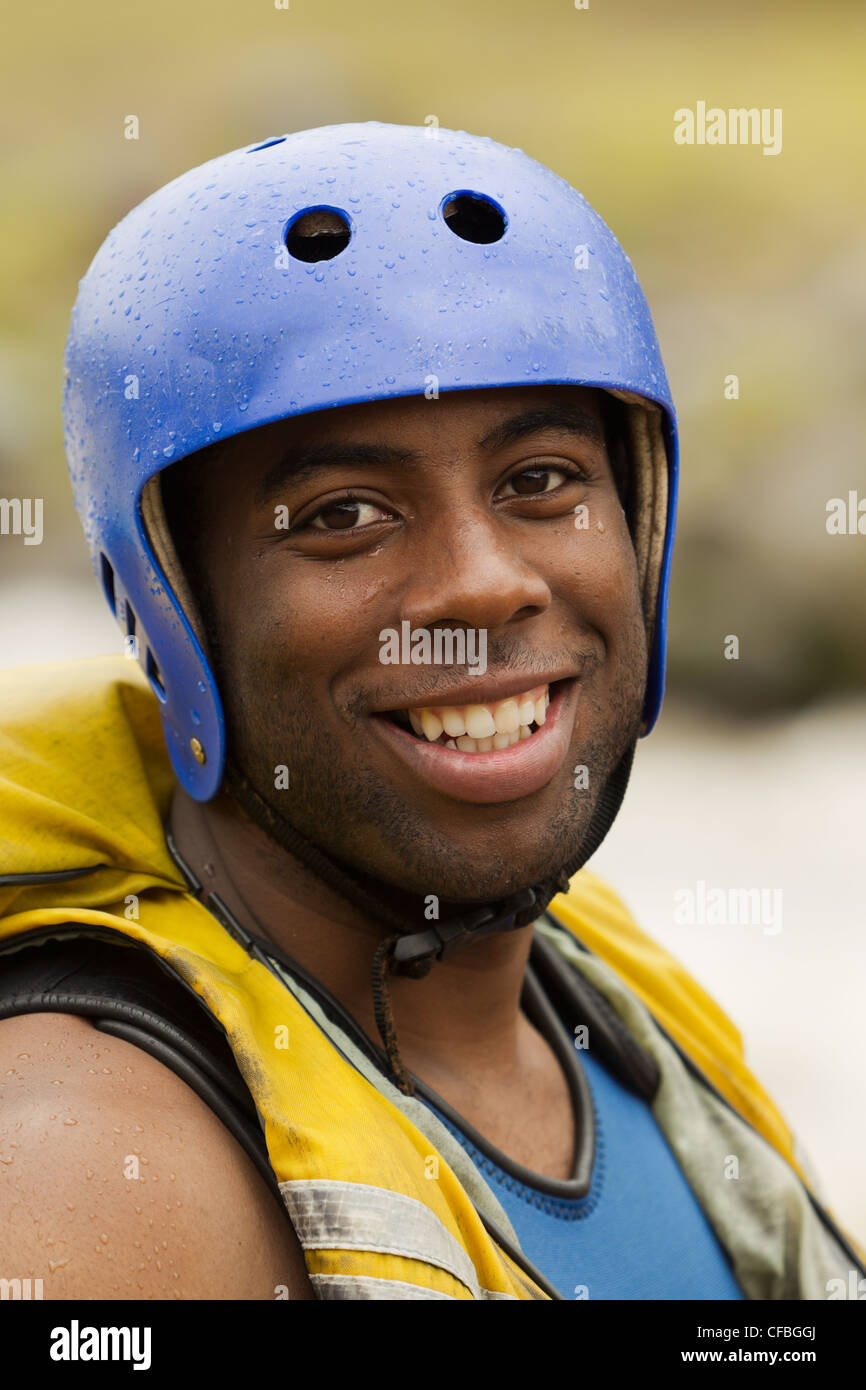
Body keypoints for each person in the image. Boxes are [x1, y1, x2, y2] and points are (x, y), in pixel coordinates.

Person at [0, 122, 861, 1301]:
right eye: (342, 513)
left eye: (539, 480)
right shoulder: (91, 1180)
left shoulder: (598, 985)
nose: (480, 582)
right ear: (170, 609)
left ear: (640, 526)